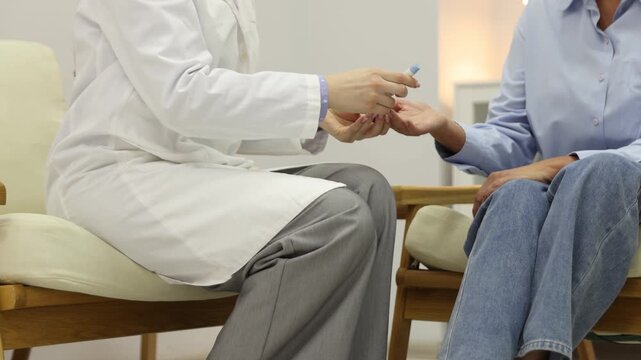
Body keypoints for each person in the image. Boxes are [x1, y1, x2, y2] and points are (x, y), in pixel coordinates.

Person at [46, 0, 419, 359]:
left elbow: (209, 115)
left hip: (185, 168)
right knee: (335, 217)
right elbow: (183, 96)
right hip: (114, 173)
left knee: (368, 190)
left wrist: (322, 115)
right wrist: (321, 92)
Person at [389, 0, 641, 359]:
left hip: (627, 187)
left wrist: (559, 164)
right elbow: (512, 133)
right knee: (516, 195)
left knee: (601, 171)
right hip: (563, 196)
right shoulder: (541, 14)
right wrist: (445, 127)